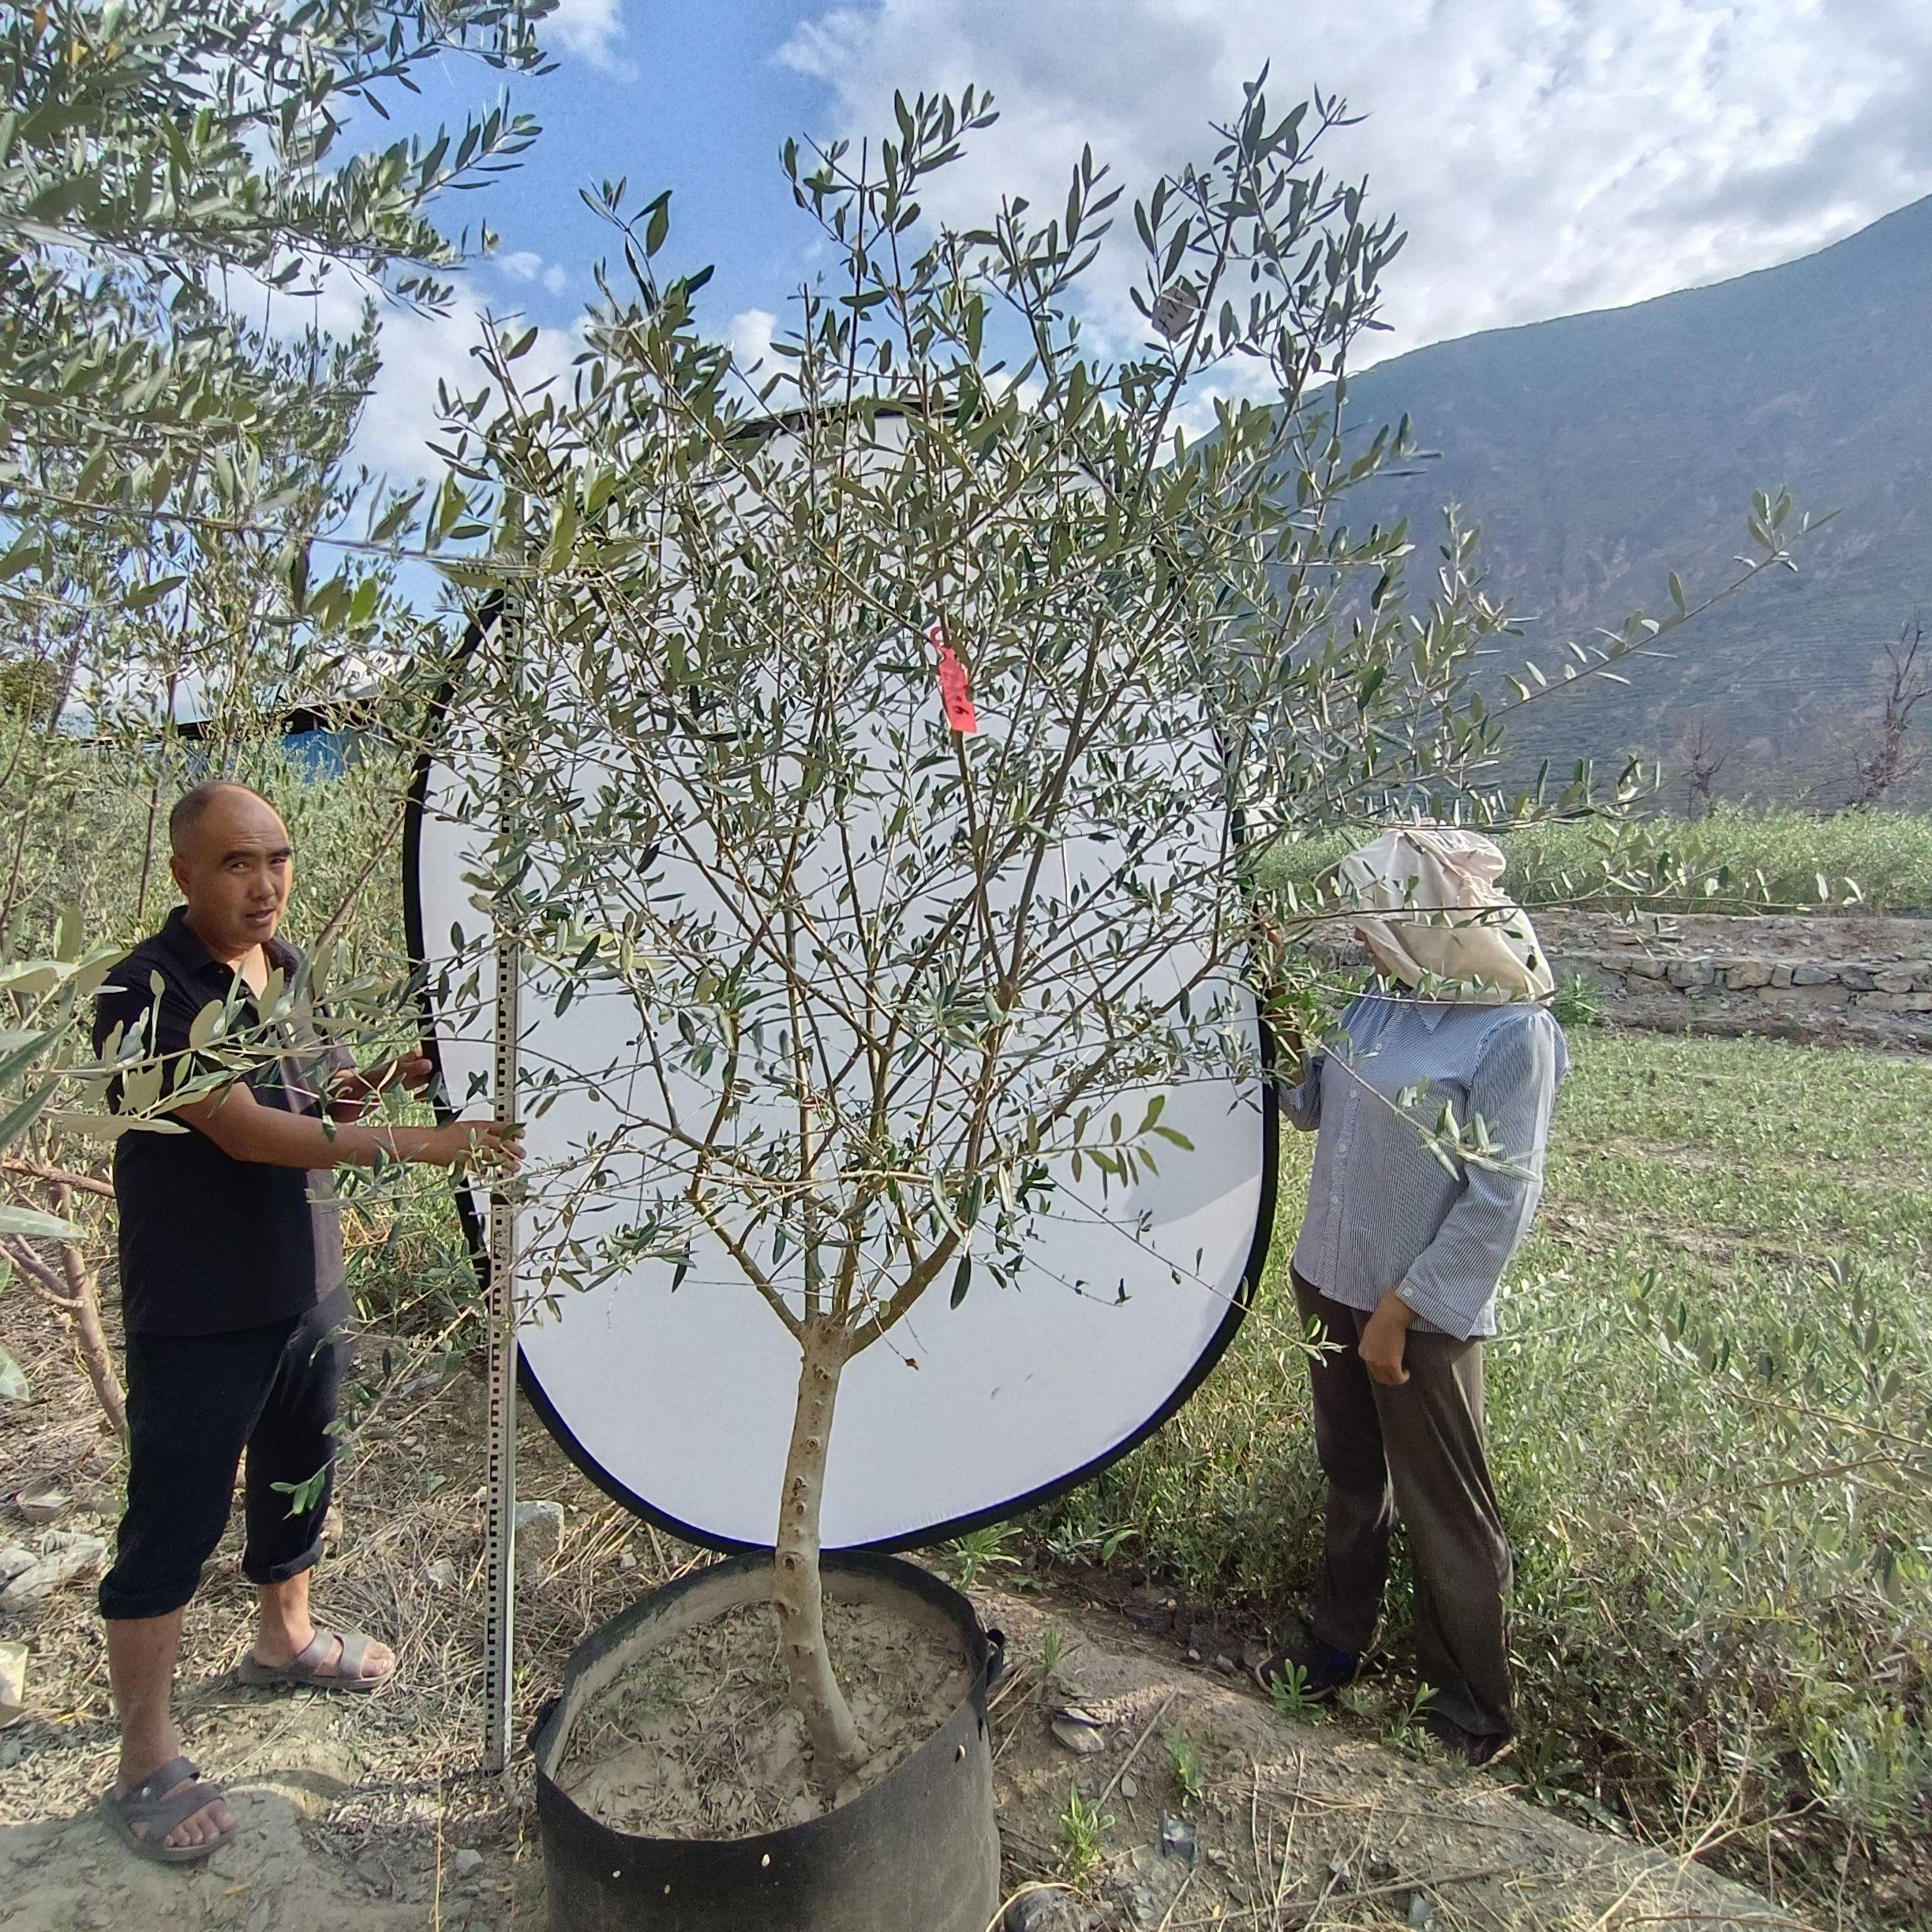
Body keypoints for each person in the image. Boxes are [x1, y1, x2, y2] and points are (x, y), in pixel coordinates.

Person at [89, 781, 521, 1864]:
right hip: (197, 1305)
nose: (266, 883)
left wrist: (376, 1083)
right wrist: (430, 1147)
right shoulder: (141, 991)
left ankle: (282, 1639)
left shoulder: (285, 973)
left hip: (303, 1282)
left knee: (302, 1467)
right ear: (183, 872)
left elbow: (311, 1106)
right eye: (237, 863)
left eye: (277, 859)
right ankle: (143, 1755)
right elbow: (236, 1129)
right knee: (174, 1517)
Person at [1261, 826, 1567, 1767]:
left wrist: (1405, 1308)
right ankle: (1336, 1644)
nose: (1362, 939)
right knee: (1355, 1480)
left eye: (1374, 920)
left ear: (1427, 918)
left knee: (1445, 1506)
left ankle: (1471, 1708)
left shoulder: (1515, 1032)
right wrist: (1272, 998)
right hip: (1330, 1281)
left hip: (1417, 1315)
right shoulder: (1378, 1007)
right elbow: (1308, 1105)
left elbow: (1502, 1195)